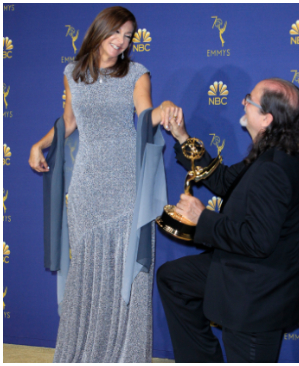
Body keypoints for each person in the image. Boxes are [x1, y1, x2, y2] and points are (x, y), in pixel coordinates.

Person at [29, 6, 180, 362]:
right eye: (118, 33)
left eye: (129, 36)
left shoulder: (137, 74)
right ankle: (84, 352)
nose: (122, 42)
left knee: (126, 268)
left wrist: (165, 109)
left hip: (126, 182)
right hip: (86, 185)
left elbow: (146, 117)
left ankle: (124, 354)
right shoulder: (72, 73)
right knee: (87, 271)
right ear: (100, 30)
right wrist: (40, 143)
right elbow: (69, 123)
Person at [156, 78, 299, 363]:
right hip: (246, 269)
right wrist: (182, 137)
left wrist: (201, 217)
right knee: (173, 278)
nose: (243, 102)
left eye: (249, 99)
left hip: (256, 295)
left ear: (266, 118)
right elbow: (223, 180)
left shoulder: (274, 168)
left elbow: (257, 240)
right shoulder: (269, 156)